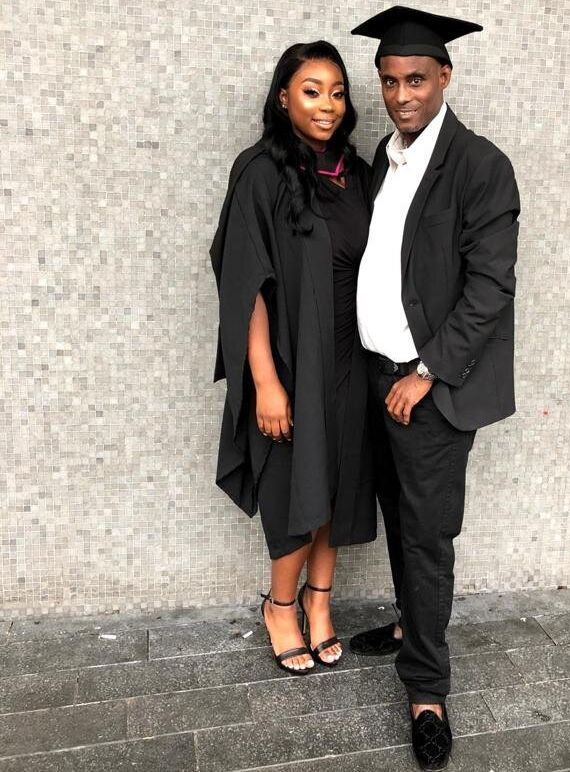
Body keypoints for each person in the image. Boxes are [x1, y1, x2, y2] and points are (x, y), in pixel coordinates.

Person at [350, 7, 521, 770]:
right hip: (376, 380)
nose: (400, 94)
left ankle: (426, 687)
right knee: (398, 516)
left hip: (429, 390)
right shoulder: (383, 160)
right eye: (389, 81)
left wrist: (426, 373)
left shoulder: (481, 166)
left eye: (415, 79)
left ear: (445, 76)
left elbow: (490, 289)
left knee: (427, 536)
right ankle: (411, 622)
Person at [210, 41, 376, 675]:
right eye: (311, 91)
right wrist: (265, 381)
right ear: (283, 98)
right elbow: (243, 279)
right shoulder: (260, 172)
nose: (327, 105)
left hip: (351, 358)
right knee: (294, 488)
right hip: (289, 359)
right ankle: (280, 606)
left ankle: (320, 601)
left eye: (337, 91)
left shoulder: (355, 174)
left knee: (337, 485)